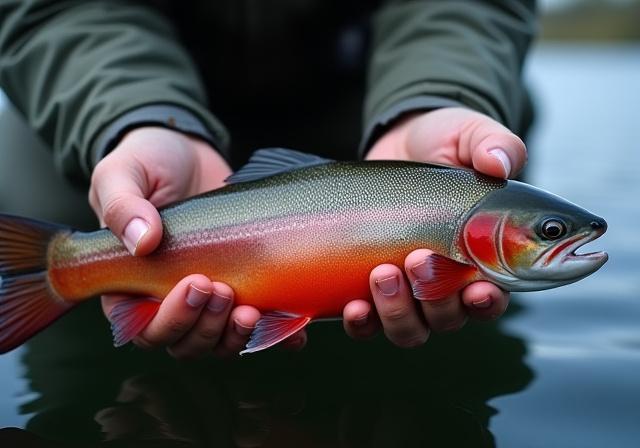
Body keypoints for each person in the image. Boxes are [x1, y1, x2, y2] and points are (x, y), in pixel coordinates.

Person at [0, 0, 536, 358]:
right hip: (129, 85)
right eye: (550, 233)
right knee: (64, 179)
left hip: (367, 89)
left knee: (498, 151)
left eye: (548, 231)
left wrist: (438, 97)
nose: (554, 236)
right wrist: (135, 118)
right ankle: (75, 271)